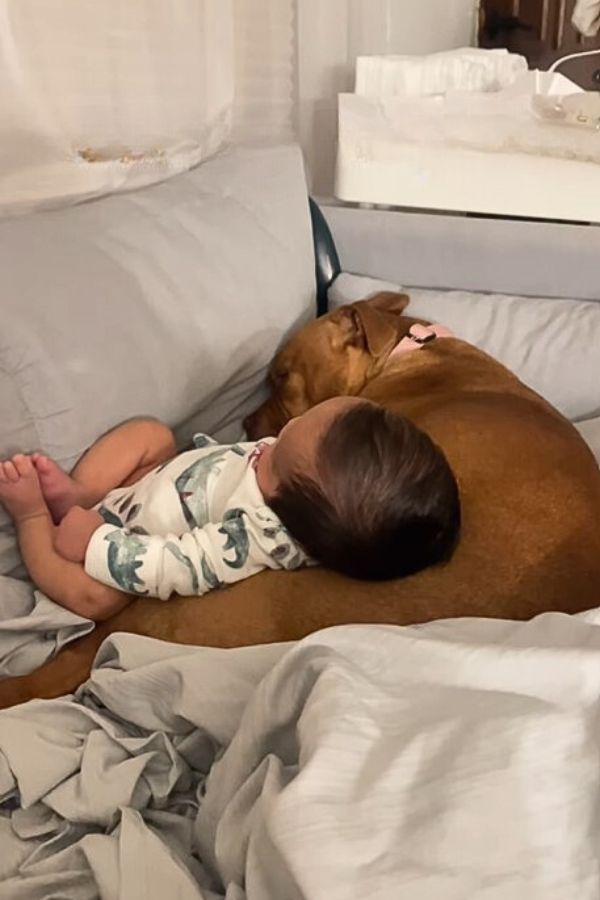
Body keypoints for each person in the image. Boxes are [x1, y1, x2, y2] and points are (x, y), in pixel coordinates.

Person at [0, 396, 460, 621]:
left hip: (137, 536)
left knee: (97, 599)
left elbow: (173, 567)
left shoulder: (255, 539)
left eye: (275, 460)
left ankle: (33, 517)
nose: (265, 445)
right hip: (153, 485)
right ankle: (82, 494)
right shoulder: (304, 467)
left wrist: (98, 543)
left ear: (289, 523)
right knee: (151, 434)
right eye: (292, 427)